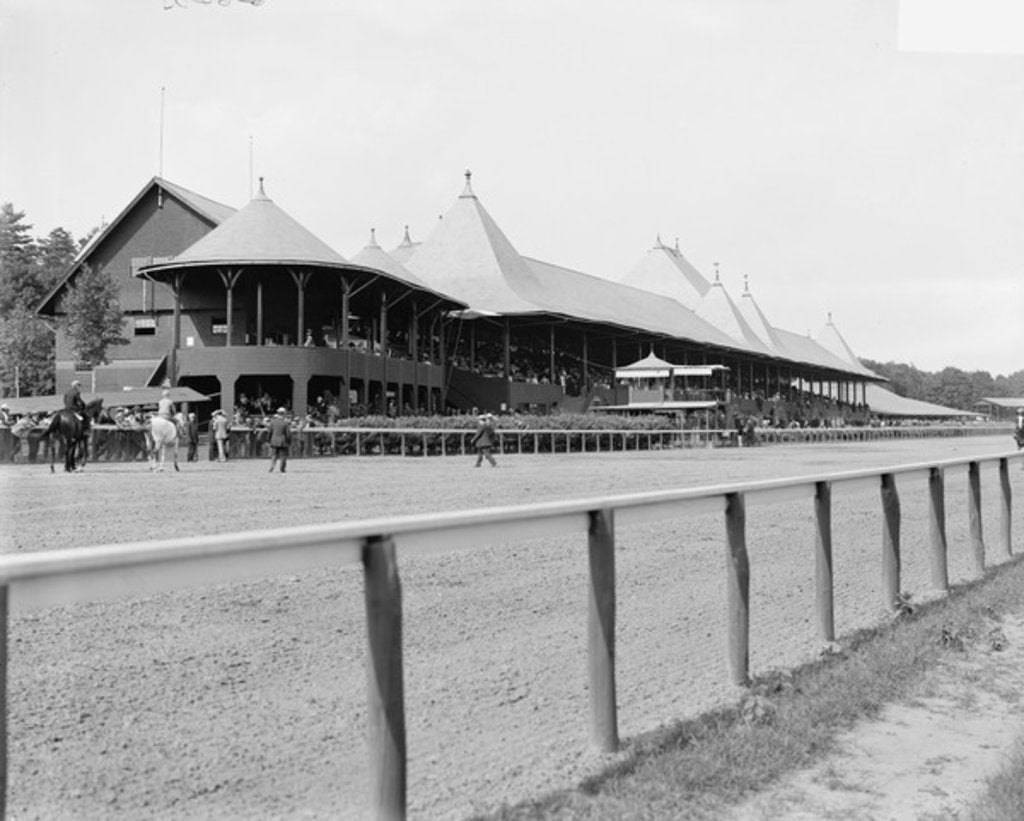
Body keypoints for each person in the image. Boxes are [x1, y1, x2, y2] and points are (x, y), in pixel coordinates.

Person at [267, 407, 292, 473]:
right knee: (283, 455)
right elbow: (288, 434)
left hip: (274, 440)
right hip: (283, 441)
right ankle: (282, 468)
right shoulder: (286, 423)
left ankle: (272, 466)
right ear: (284, 414)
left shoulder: (272, 422)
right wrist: (289, 441)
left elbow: (270, 432)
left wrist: (269, 440)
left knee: (274, 455)